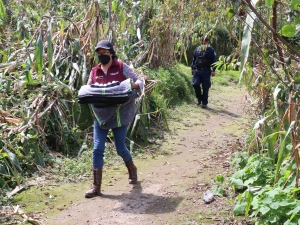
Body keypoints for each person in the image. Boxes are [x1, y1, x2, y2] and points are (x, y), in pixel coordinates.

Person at [85, 40, 144, 198]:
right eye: (99, 53)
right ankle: (96, 187)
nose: (101, 55)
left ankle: (132, 168)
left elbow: (139, 80)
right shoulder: (95, 71)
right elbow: (88, 89)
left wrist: (134, 86)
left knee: (120, 148)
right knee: (97, 148)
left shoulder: (121, 67)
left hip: (119, 114)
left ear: (111, 53)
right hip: (101, 115)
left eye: (104, 52)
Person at [191, 36, 217, 108]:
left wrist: (213, 70)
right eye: (202, 42)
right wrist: (192, 68)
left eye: (205, 42)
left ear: (208, 42)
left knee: (205, 87)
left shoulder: (211, 50)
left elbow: (214, 61)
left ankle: (204, 102)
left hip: (206, 70)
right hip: (197, 70)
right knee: (195, 84)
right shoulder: (197, 49)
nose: (203, 43)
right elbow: (194, 59)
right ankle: (199, 98)